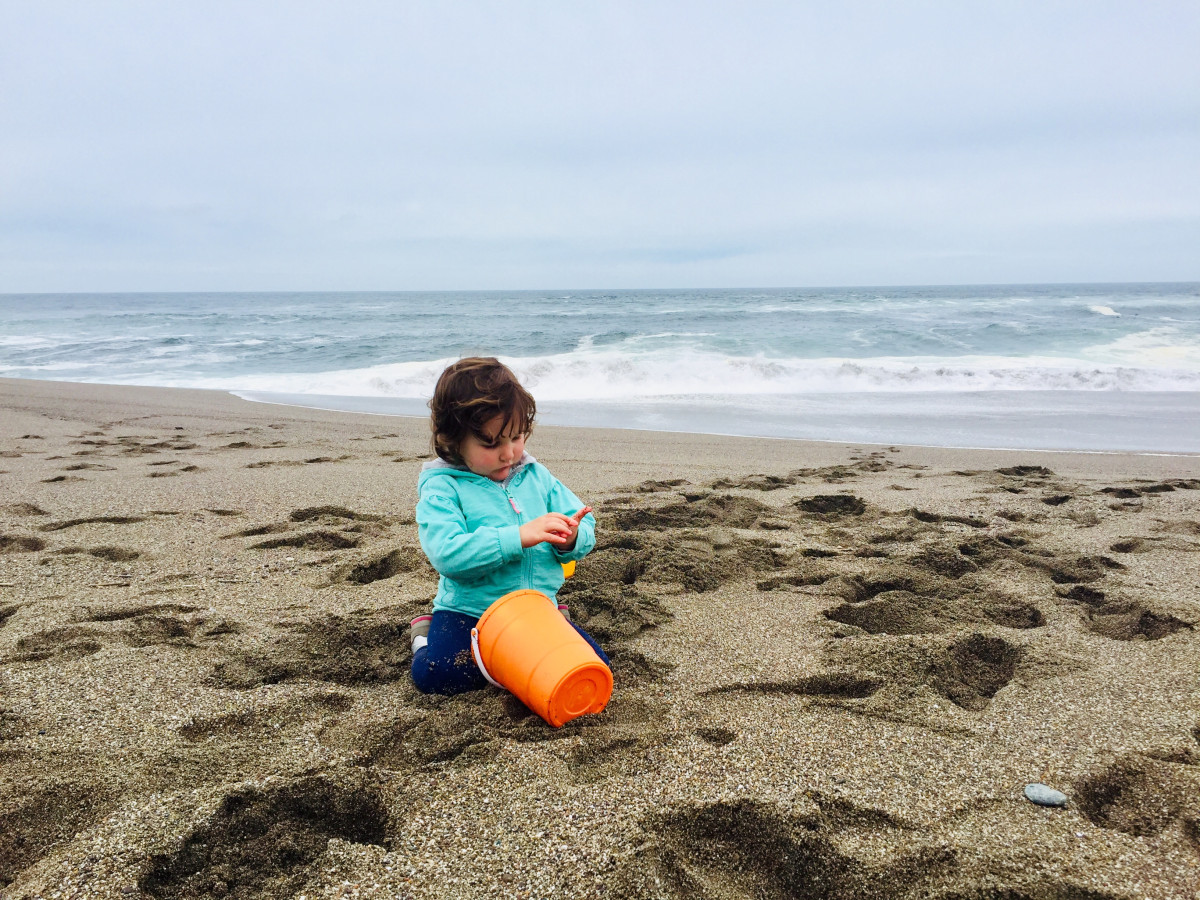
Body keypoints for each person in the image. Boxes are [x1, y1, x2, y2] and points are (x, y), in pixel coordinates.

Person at [409, 357, 610, 695]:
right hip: (469, 613)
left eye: (517, 437)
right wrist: (517, 537)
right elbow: (447, 554)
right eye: (491, 444)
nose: (509, 453)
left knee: (592, 667)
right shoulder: (443, 487)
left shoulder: (536, 476)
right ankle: (422, 635)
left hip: (535, 608)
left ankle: (558, 615)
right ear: (452, 440)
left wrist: (571, 538)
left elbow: (583, 520)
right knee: (440, 675)